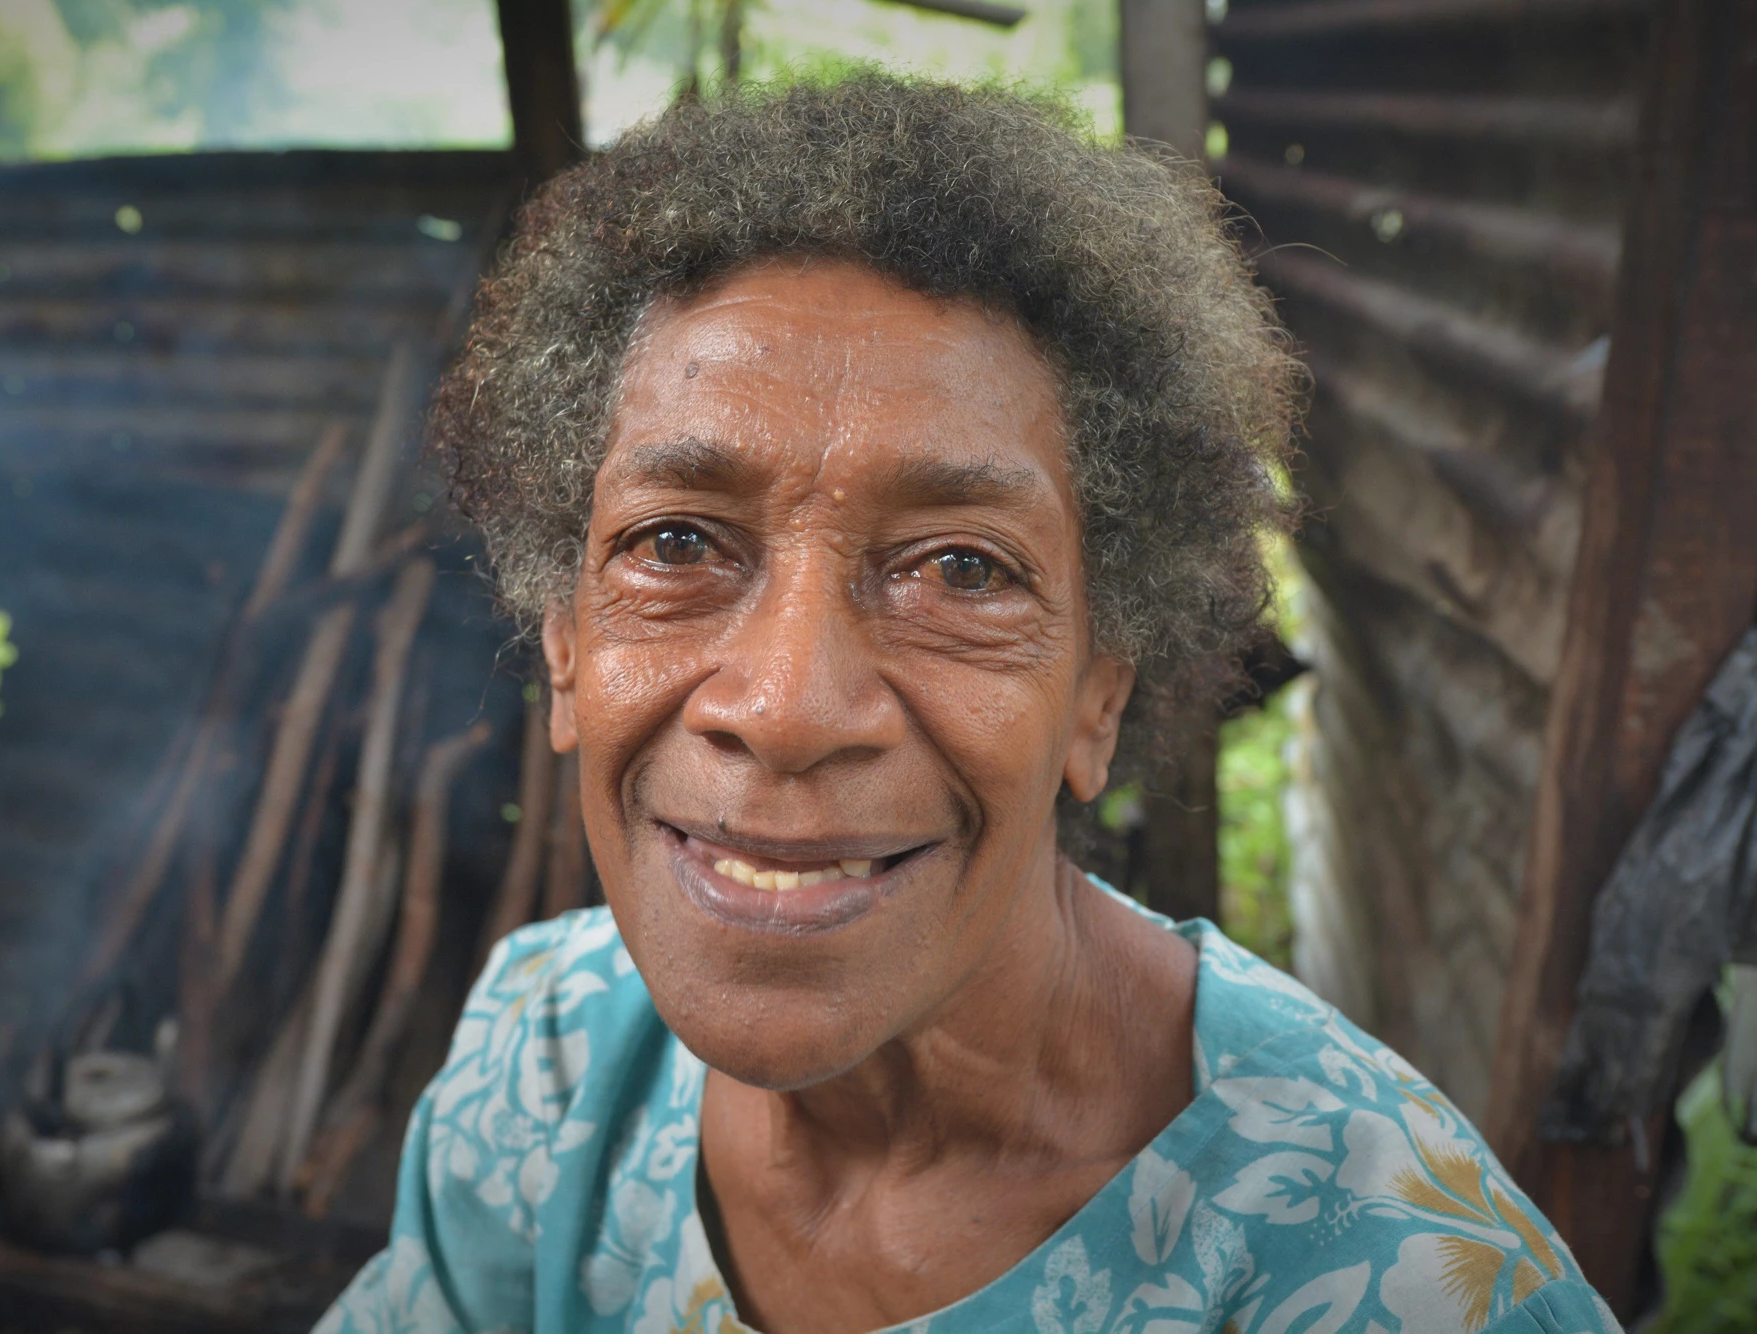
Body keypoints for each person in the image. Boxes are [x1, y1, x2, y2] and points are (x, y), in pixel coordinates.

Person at [317, 74, 1617, 1334]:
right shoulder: (548, 1069)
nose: (785, 706)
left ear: (1101, 685)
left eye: (960, 568)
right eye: (677, 546)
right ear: (563, 639)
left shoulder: (1396, 1282)